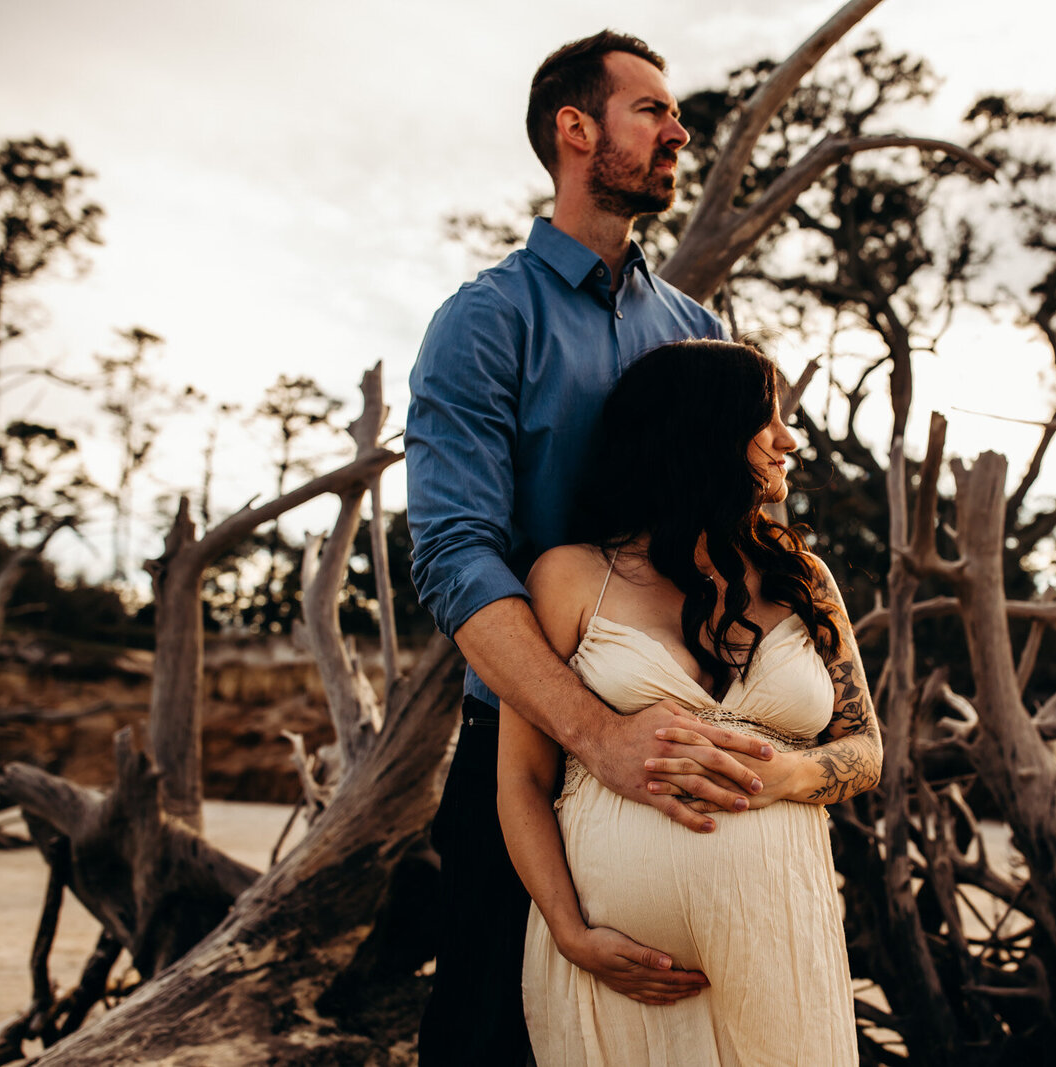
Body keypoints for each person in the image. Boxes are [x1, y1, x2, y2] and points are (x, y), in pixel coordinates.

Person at [406, 31, 776, 1064]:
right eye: (652, 109)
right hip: (518, 755)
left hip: (693, 759)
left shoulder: (698, 329)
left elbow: (738, 531)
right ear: (576, 129)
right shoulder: (485, 322)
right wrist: (595, 733)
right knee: (491, 1041)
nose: (678, 129)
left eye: (673, 114)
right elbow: (452, 553)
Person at [499, 339, 883, 1065]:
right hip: (616, 972)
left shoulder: (805, 579)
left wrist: (787, 775)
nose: (787, 440)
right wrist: (569, 931)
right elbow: (521, 779)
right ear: (700, 430)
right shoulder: (571, 577)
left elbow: (866, 752)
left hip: (782, 950)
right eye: (764, 419)